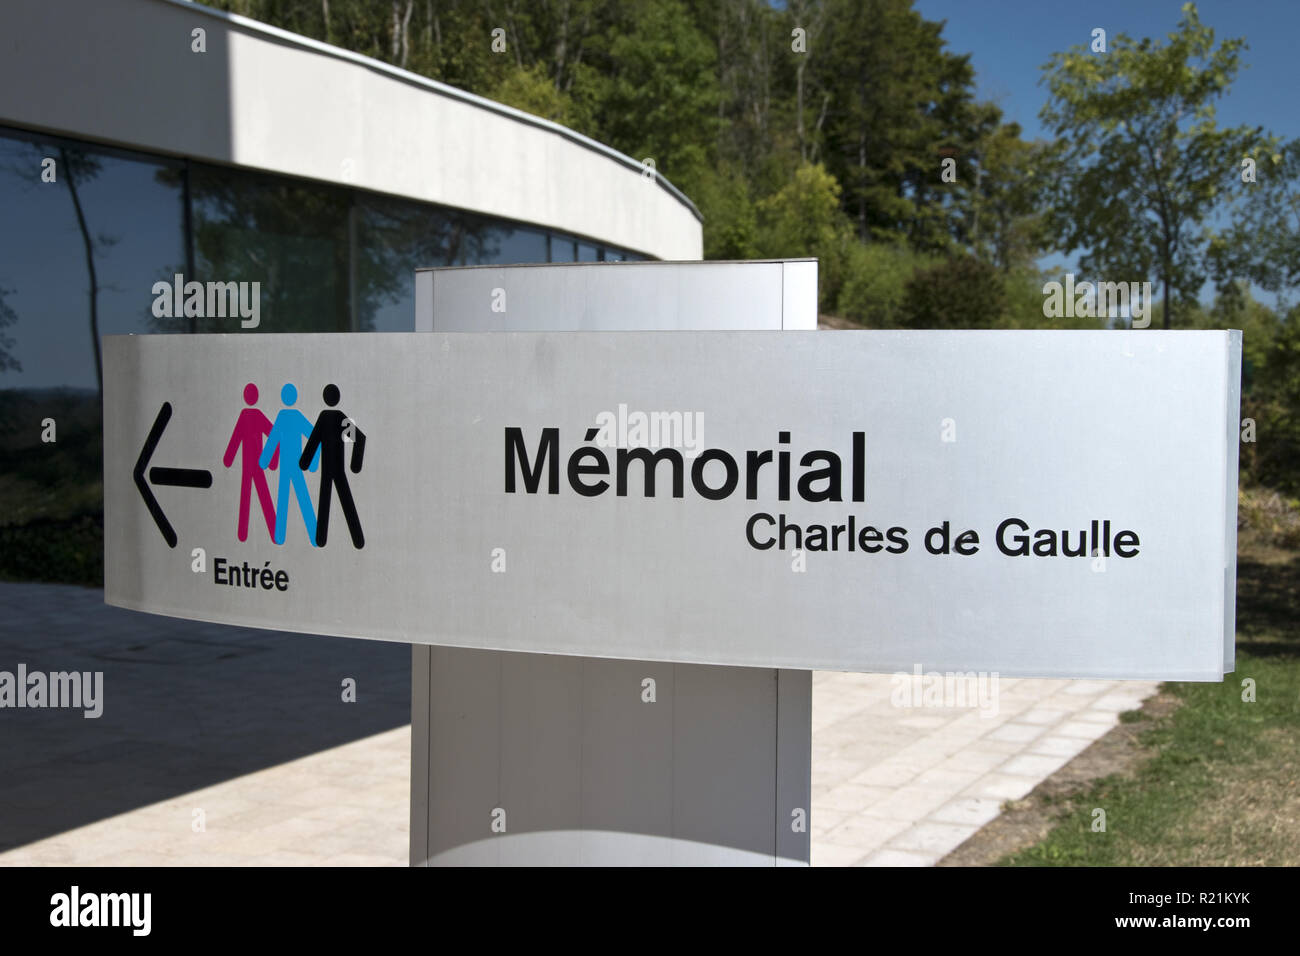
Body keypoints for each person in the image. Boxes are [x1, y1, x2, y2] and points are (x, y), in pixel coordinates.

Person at [301, 383, 365, 549]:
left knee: (326, 501)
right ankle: (357, 540)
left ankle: (323, 539)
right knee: (343, 500)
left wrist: (305, 462)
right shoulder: (339, 418)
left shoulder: (327, 417)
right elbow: (360, 438)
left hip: (329, 469)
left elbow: (314, 441)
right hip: (338, 469)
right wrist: (355, 465)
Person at [260, 383, 320, 546]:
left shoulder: (283, 417)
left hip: (289, 465)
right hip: (295, 464)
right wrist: (312, 462)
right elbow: (314, 438)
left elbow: (273, 441)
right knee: (300, 496)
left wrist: (266, 461)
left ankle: (283, 536)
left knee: (286, 497)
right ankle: (314, 537)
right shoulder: (295, 416)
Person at [222, 383, 277, 543]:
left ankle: (246, 533)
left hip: (251, 464)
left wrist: (229, 458)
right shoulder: (254, 415)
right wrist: (271, 460)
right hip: (255, 463)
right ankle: (269, 533)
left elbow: (235, 439)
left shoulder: (247, 415)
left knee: (250, 494)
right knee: (259, 494)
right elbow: (274, 436)